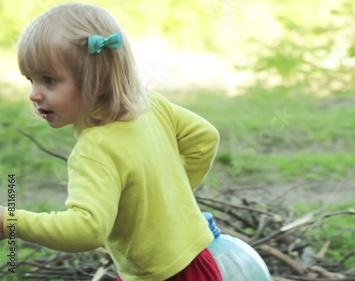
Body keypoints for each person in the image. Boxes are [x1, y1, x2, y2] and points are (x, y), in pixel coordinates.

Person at [0, 2, 222, 281]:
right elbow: (204, 138)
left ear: (99, 80)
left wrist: (12, 222)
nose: (34, 94)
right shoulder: (151, 105)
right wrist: (166, 200)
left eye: (49, 80)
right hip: (199, 262)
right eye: (30, 80)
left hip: (160, 275)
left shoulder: (93, 150)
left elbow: (86, 230)